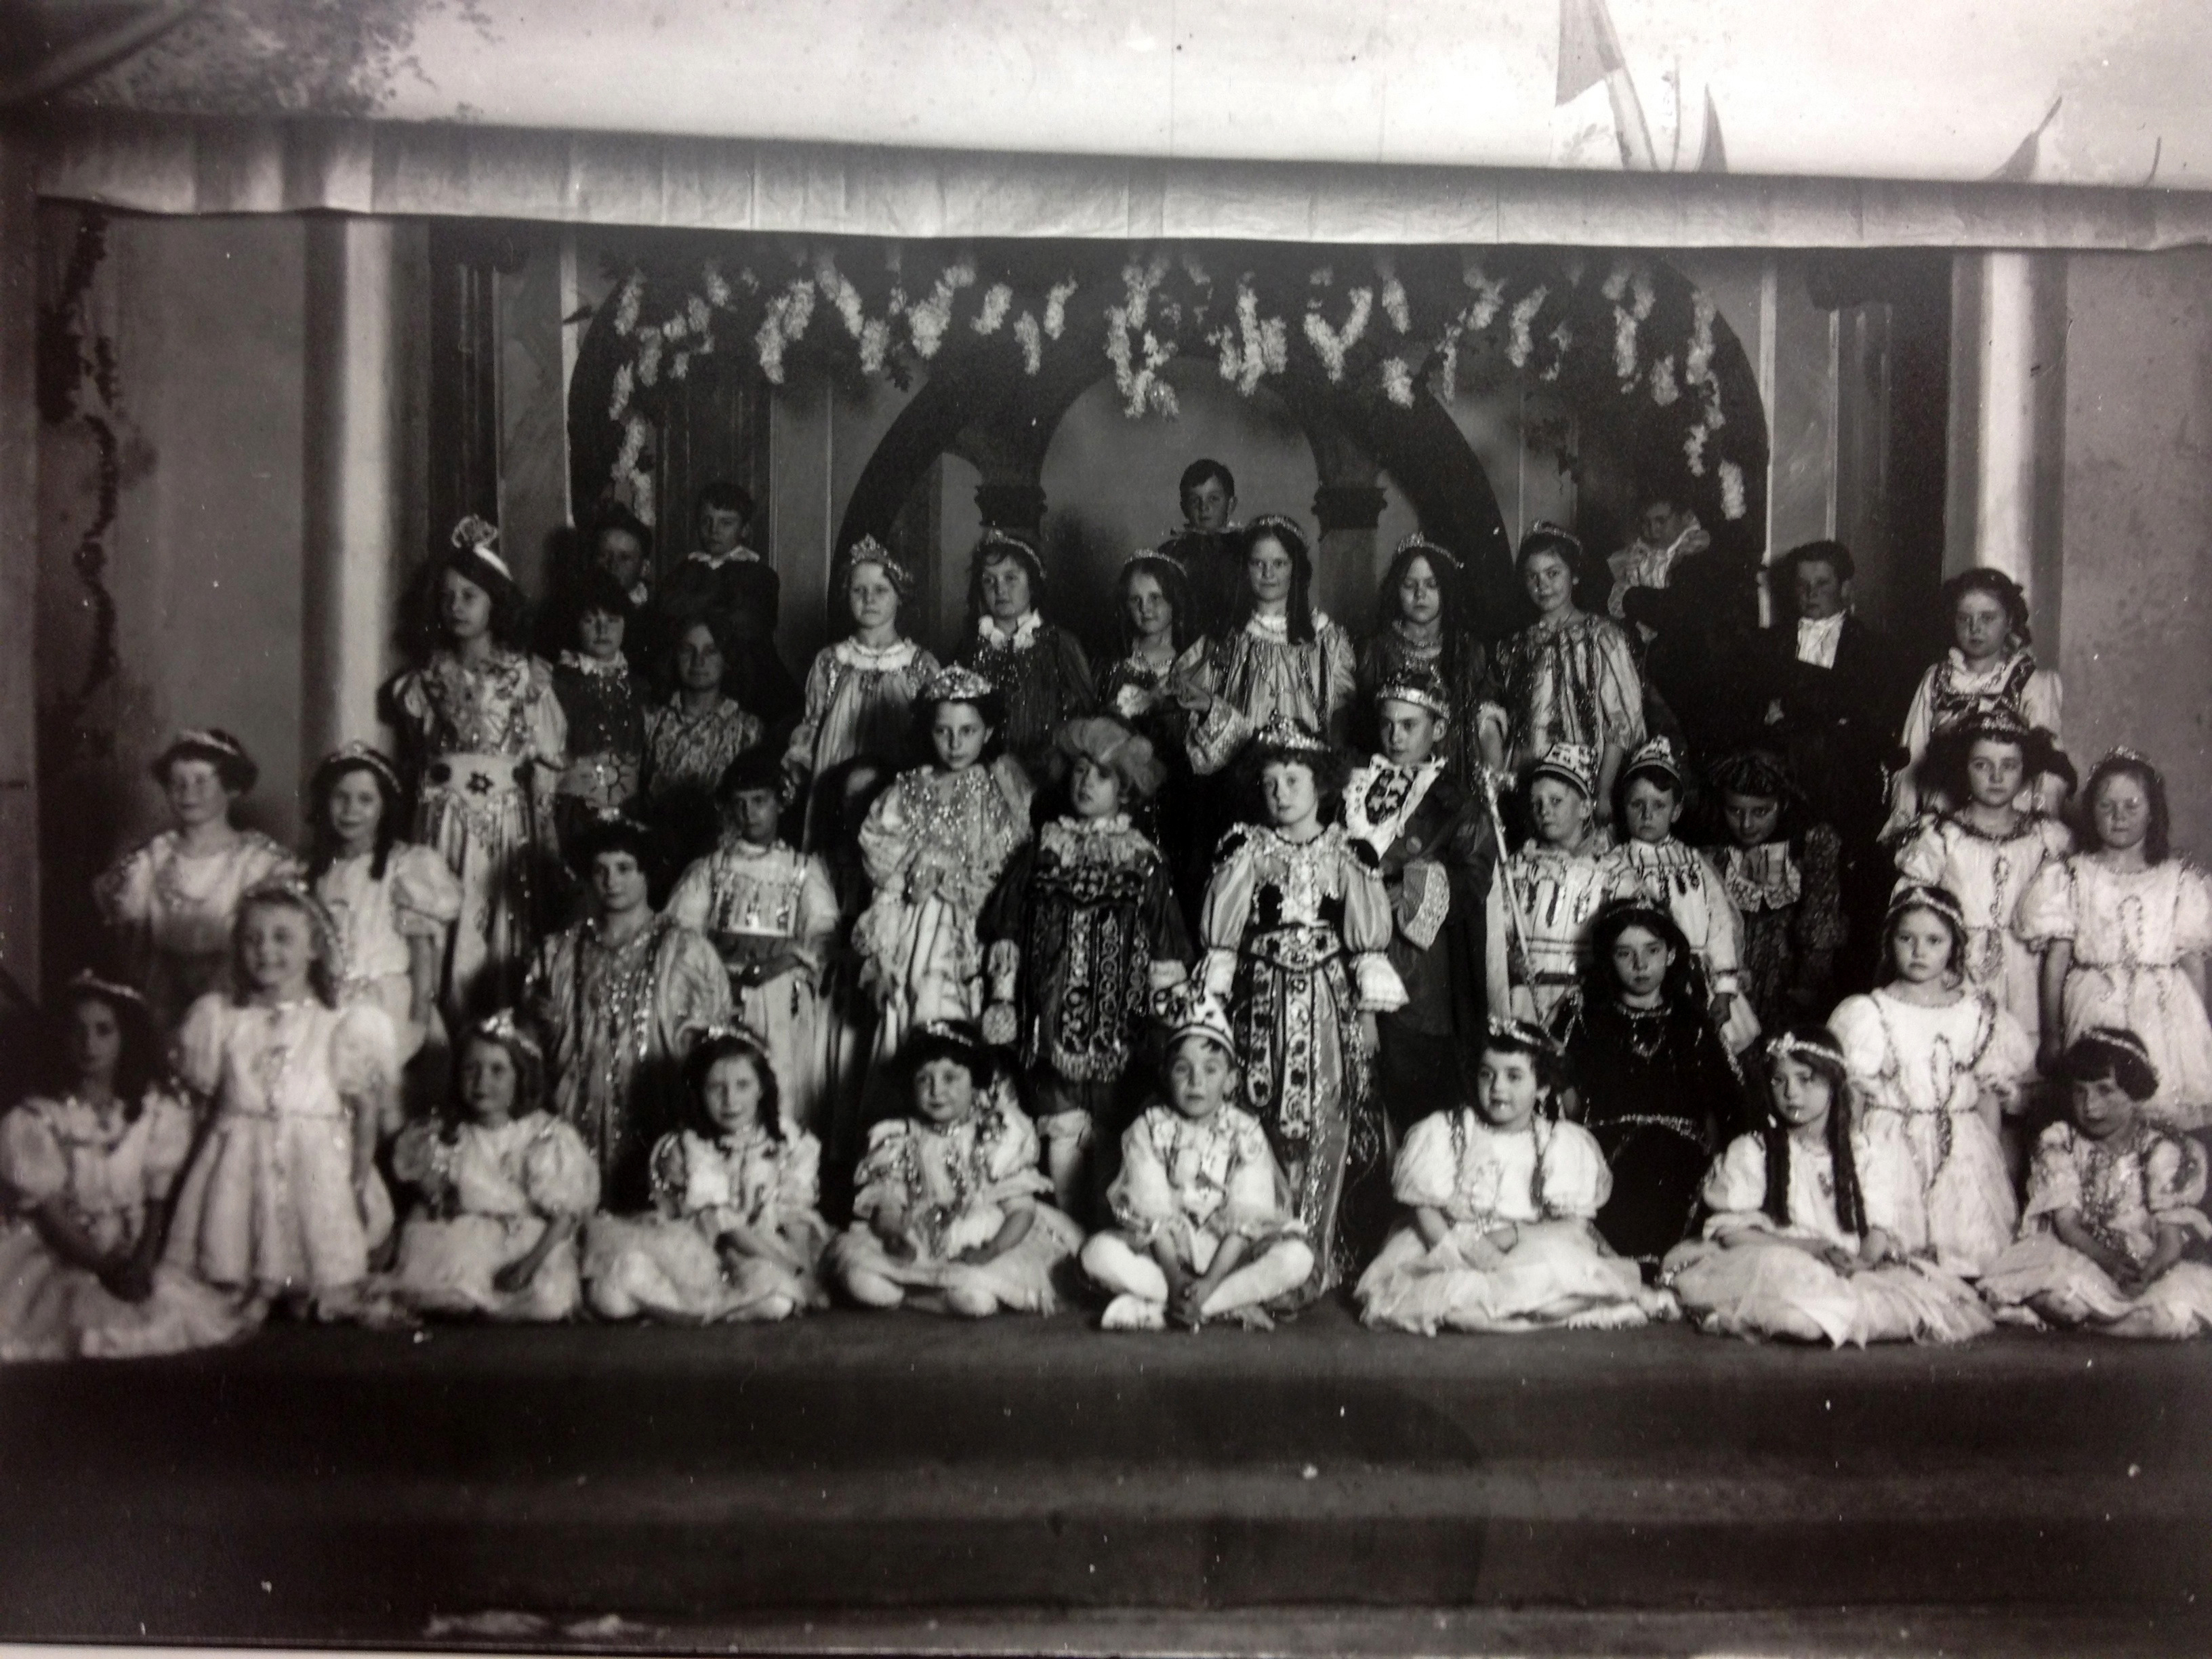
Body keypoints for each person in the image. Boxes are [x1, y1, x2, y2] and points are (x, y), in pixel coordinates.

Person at [1197, 716, 1407, 1303]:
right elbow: (1222, 944)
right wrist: (1215, 1011)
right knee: (1259, 1112)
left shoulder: (1349, 852)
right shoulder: (1245, 848)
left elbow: (1366, 948)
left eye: (1293, 780)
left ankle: (1316, 1253)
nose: (1280, 792)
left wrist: (1367, 1018)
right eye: (1269, 782)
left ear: (1321, 783)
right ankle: (1265, 1252)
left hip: (1326, 1002)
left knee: (1327, 1115)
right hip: (1260, 1000)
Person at [163, 880, 406, 1328]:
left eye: (282, 938)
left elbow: (366, 1111)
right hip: (239, 1154)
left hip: (315, 1158)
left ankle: (302, 1288)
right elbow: (201, 1108)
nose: (266, 951)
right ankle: (247, 1285)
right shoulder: (221, 1018)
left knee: (316, 1240)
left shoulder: (339, 1024)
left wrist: (356, 1182)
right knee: (233, 1235)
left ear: (313, 948)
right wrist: (186, 1170)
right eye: (252, 939)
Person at [979, 716, 1191, 1221]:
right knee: (1060, 1130)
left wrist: (1169, 1023)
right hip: (1051, 1021)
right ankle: (1066, 1233)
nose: (1086, 783)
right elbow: (1007, 928)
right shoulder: (1043, 850)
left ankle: (1106, 1239)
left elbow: (1165, 948)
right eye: (1079, 770)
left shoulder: (1143, 860)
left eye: (1102, 775)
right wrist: (1003, 998)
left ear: (1125, 788)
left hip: (1123, 1024)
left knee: (1115, 1137)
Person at [1662, 1027, 1994, 1347]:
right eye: (1779, 1080)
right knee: (1798, 1311)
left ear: (1833, 1082)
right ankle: (1808, 1315)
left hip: (1849, 1266)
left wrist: (1863, 1264)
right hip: (1786, 1261)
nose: (1791, 1093)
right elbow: (1733, 1234)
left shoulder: (1866, 1151)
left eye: (1805, 1079)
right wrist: (1811, 1249)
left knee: (1905, 1307)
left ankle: (1834, 1313)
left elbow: (1879, 1228)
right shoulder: (1754, 1150)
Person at [1356, 1018, 1663, 1334]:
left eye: (1514, 1077)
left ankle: (1526, 1309)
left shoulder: (1556, 1141)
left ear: (1542, 1087)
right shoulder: (1448, 1130)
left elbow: (1574, 1224)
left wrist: (1512, 1237)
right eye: (1487, 1074)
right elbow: (1424, 1207)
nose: (1498, 1088)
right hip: (1455, 1241)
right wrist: (1453, 1252)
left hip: (1527, 1242)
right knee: (1442, 1293)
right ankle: (1502, 1312)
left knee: (1554, 1277)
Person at [0, 975, 249, 1361]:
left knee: (164, 1314)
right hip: (65, 1253)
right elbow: (51, 1215)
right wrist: (102, 1267)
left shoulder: (153, 1112)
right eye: (77, 1031)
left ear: (125, 1037)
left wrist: (144, 1260)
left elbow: (156, 1203)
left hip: (130, 1251)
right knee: (77, 1322)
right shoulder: (37, 1120)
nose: (89, 1044)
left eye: (104, 1031)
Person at [390, 516, 567, 1023]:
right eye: (448, 596)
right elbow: (418, 755)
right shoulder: (423, 681)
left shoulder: (526, 677)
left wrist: (542, 831)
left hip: (502, 823)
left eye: (470, 596)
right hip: (442, 819)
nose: (457, 606)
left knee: (497, 922)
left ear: (496, 603)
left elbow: (547, 760)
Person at [1828, 884, 2036, 1277]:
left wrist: (1988, 1160)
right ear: (1890, 943)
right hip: (1892, 1141)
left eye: (1934, 941)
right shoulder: (1871, 1012)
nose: (1919, 952)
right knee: (1895, 1255)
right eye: (1906, 939)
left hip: (1962, 1145)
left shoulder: (1976, 1013)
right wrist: (1854, 1154)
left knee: (1971, 1255)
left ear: (1955, 946)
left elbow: (1987, 1095)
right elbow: (1855, 1096)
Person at [1080, 981, 1311, 1330]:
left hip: (1231, 1255)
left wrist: (1209, 1284)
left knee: (1297, 1258)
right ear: (1165, 1076)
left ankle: (1187, 1306)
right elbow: (1151, 1210)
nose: (1196, 1082)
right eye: (1182, 1069)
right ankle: (1199, 1302)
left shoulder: (1245, 1131)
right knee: (1097, 1254)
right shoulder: (1148, 1128)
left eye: (1211, 1069)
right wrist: (1175, 1278)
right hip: (1166, 1253)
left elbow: (1248, 1217)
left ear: (1231, 1080)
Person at [526, 815, 731, 1208]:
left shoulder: (685, 951)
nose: (611, 881)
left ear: (646, 873)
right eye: (600, 870)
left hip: (657, 1111)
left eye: (624, 868)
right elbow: (535, 1040)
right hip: (576, 1112)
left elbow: (711, 1045)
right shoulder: (559, 951)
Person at [853, 668, 1033, 1091]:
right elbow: (887, 883)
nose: (955, 744)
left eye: (968, 731)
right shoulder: (905, 791)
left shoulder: (1000, 791)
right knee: (912, 1009)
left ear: (988, 732)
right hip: (916, 929)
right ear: (928, 732)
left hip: (976, 928)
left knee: (969, 1017)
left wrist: (958, 878)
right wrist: (881, 958)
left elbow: (1009, 871)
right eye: (943, 731)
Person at [827, 1021, 1083, 1317]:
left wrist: (992, 1249)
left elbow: (1021, 1210)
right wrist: (893, 1235)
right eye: (924, 1080)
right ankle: (909, 1288)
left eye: (950, 1078)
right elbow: (888, 1202)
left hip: (984, 1238)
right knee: (859, 1272)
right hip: (919, 1235)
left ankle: (959, 1291)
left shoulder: (995, 1133)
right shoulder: (899, 1137)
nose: (936, 1091)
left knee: (977, 1297)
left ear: (975, 1082)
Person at [2017, 750, 2212, 1132]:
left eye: (2131, 805)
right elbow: (2056, 961)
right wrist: (2052, 1036)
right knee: (2097, 1108)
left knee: (2160, 1114)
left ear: (2153, 812)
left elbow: (2192, 963)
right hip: (2096, 1005)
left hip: (2164, 1013)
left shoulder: (2178, 880)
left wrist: (2201, 1030)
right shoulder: (2072, 876)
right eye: (2106, 806)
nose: (2118, 815)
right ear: (2091, 812)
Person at [1551, 901, 1749, 1273]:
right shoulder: (1584, 1016)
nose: (1640, 965)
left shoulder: (1692, 1020)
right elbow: (1554, 1086)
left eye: (1652, 951)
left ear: (1671, 954)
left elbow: (1731, 1101)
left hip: (1682, 1155)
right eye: (1625, 954)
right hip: (1605, 1151)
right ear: (1608, 959)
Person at [583, 1027, 830, 1323]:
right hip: (699, 1246)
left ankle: (698, 1307)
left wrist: (803, 1270)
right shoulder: (687, 1147)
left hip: (761, 1247)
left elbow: (795, 1212)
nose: (730, 1100)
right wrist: (792, 1271)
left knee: (778, 1300)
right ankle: (692, 1309)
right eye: (716, 1088)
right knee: (610, 1298)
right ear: (699, 1091)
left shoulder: (790, 1140)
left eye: (743, 1085)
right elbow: (725, 1226)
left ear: (762, 1088)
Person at [1344, 664, 1496, 1137]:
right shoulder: (1351, 786)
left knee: (1415, 1093)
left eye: (1409, 725)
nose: (1396, 736)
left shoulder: (1458, 803)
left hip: (1418, 966)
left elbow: (1473, 881)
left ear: (1440, 729)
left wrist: (1408, 888)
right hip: (1348, 950)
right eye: (1388, 724)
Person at [1980, 1029, 2212, 1339]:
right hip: (2082, 1252)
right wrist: (2108, 1263)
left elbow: (2170, 1241)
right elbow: (2069, 1227)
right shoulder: (2060, 1141)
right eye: (2080, 1092)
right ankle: (2103, 1320)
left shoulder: (2161, 1148)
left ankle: (2105, 1321)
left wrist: (2148, 1274)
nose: (2090, 1105)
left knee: (2176, 1313)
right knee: (2061, 1296)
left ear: (2134, 1094)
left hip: (2142, 1259)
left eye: (2105, 1091)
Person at [665, 747, 840, 1141]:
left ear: (781, 802)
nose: (750, 813)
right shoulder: (713, 867)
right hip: (722, 988)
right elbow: (681, 930)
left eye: (760, 801)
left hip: (778, 989)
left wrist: (781, 964)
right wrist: (716, 971)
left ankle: (781, 1152)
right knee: (723, 1072)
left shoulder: (802, 869)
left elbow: (822, 931)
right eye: (740, 804)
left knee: (779, 1074)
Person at [384, 1011, 599, 1322]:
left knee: (550, 1297)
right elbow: (430, 1202)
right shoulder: (452, 1137)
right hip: (471, 1241)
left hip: (528, 1244)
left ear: (520, 1077)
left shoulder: (543, 1135)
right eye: (471, 1069)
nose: (482, 1082)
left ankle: (501, 1298)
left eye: (498, 1070)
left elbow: (565, 1216)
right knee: (442, 1276)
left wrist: (528, 1266)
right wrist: (401, 1246)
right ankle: (469, 1301)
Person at [94, 729, 300, 1032]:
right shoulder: (152, 858)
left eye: (201, 781)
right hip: (163, 1007)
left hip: (235, 1007)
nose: (188, 792)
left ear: (231, 787)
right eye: (177, 783)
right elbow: (129, 937)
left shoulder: (259, 862)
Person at [1892, 711, 2074, 1054]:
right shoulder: (1941, 837)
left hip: (2027, 974)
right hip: (1958, 969)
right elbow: (1911, 913)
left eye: (2009, 766)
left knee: (2021, 1058)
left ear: (2025, 770)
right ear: (1963, 768)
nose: (1996, 777)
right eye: (1982, 765)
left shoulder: (2046, 837)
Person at [304, 743, 463, 1069]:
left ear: (384, 807)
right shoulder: (315, 873)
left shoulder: (404, 868)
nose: (351, 810)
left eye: (365, 800)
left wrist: (418, 1022)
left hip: (390, 1006)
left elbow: (422, 957)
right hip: (329, 1006)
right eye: (341, 797)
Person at [783, 537, 940, 858]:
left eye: (881, 590)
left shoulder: (920, 664)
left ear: (900, 596)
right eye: (859, 590)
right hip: (836, 771)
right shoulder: (831, 661)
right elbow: (812, 724)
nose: (869, 599)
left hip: (897, 773)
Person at [1600, 736, 1758, 1054]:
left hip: (1696, 979)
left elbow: (1721, 922)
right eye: (1637, 805)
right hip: (1643, 977)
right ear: (1623, 807)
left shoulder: (1694, 861)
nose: (1647, 815)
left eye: (1659, 806)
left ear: (1676, 811)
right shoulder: (1612, 863)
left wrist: (1725, 986)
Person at [1885, 567, 2068, 838]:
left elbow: (2049, 766)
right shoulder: (1936, 678)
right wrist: (1903, 821)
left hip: (2010, 818)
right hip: (1944, 816)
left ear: (2009, 621)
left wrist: (2041, 825)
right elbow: (1911, 756)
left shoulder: (2032, 681)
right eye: (1964, 618)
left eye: (1987, 618)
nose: (1975, 628)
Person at [1483, 524, 1645, 827]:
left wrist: (1603, 791)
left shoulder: (1602, 637)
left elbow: (1621, 722)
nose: (1542, 585)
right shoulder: (1515, 645)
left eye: (1553, 573)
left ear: (1575, 575)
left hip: (1583, 782)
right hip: (1529, 779)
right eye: (1532, 577)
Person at [1175, 514, 1360, 773]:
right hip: (1239, 771)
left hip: (1309, 772)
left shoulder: (1324, 639)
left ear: (1295, 568)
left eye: (1279, 563)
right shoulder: (1226, 638)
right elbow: (1196, 710)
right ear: (1244, 567)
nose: (1268, 573)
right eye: (1257, 563)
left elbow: (1340, 718)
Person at [1097, 549, 1205, 916]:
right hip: (1127, 795)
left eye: (1156, 598)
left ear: (1175, 601)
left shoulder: (1194, 664)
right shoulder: (1112, 668)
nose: (1146, 609)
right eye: (1136, 600)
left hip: (1182, 796)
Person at [1707, 747, 1845, 1034]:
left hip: (1788, 980)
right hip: (1731, 979)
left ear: (1783, 805)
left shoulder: (1811, 845)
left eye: (1760, 812)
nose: (1746, 824)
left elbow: (1820, 921)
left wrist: (1809, 983)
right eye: (1735, 811)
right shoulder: (1714, 853)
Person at [1485, 742, 1613, 1026]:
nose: (1544, 810)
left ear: (1584, 808)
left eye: (1556, 801)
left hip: (1584, 999)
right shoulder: (1516, 868)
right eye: (1537, 803)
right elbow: (1498, 928)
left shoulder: (1610, 871)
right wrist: (1510, 957)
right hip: (1526, 998)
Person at [954, 531, 1096, 786]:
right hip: (982, 780)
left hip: (1048, 783)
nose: (1000, 589)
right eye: (989, 580)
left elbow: (1083, 721)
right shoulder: (969, 649)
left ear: (1033, 583)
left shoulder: (1061, 646)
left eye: (1011, 578)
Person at [653, 480, 800, 726]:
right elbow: (666, 612)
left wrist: (696, 608)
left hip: (748, 672)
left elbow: (751, 623)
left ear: (745, 530)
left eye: (726, 523)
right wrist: (721, 605)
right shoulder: (685, 570)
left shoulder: (760, 575)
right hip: (693, 666)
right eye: (706, 521)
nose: (714, 530)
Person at [1357, 534, 1498, 790]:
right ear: (1396, 590)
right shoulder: (1376, 650)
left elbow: (1487, 723)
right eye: (1409, 585)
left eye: (1432, 585)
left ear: (1447, 589)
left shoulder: (1469, 651)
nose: (1420, 594)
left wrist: (1492, 781)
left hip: (1456, 777)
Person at [641, 615, 765, 880]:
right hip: (658, 854)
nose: (699, 661)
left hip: (722, 860)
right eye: (688, 650)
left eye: (711, 651)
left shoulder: (747, 729)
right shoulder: (652, 720)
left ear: (727, 660)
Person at [549, 569, 650, 852]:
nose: (603, 630)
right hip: (575, 814)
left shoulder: (641, 687)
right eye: (590, 620)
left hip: (629, 811)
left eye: (612, 620)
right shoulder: (558, 685)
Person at [1170, 457, 1245, 640]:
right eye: (1195, 500)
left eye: (1213, 499)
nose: (1204, 507)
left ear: (1231, 505)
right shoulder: (1173, 552)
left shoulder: (1245, 548)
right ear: (1184, 508)